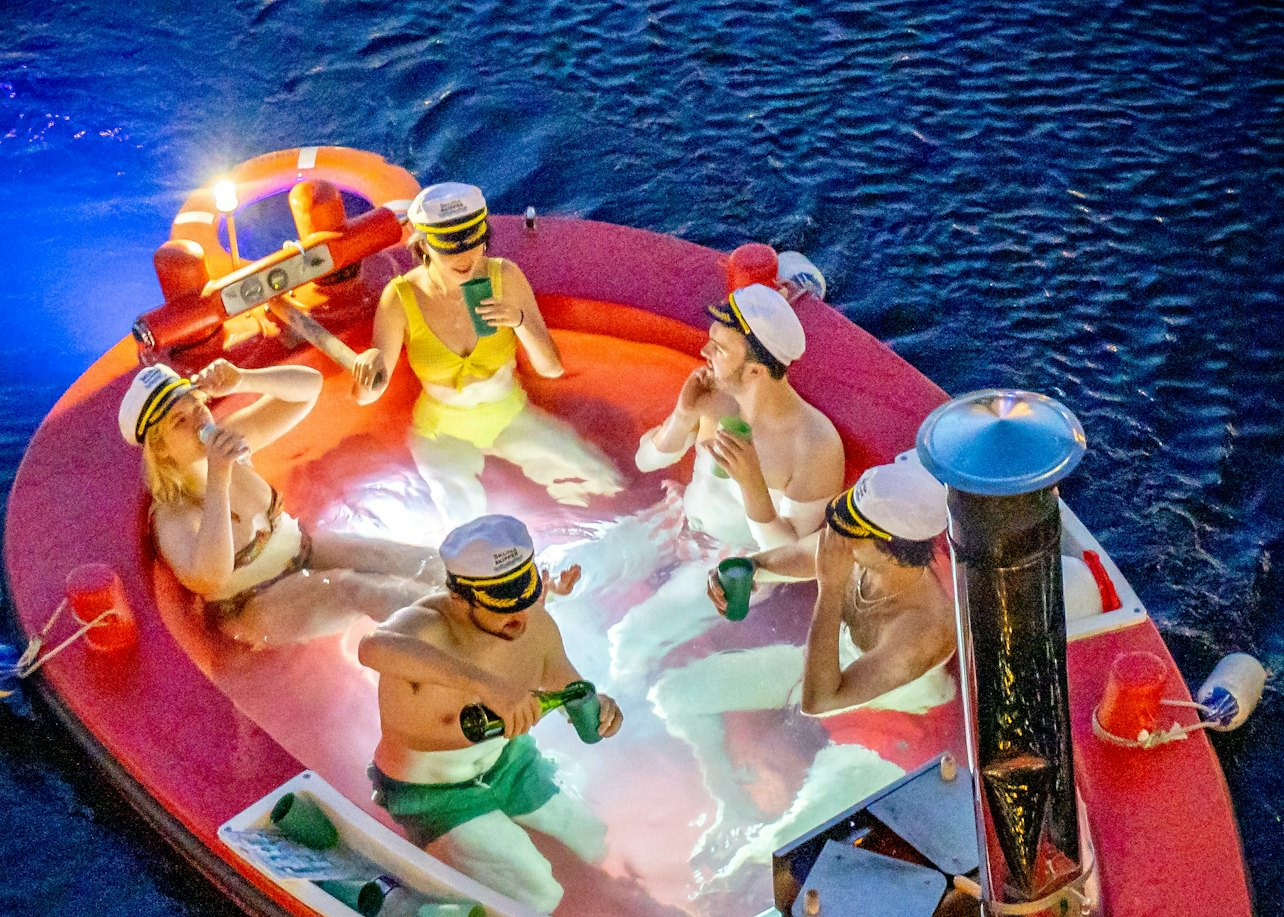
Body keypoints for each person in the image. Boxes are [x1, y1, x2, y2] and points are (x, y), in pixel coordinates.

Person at [648, 457, 960, 876]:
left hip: (892, 722)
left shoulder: (920, 629)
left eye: (850, 532)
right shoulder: (860, 549)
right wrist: (749, 569)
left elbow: (820, 700)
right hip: (831, 667)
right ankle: (727, 796)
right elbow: (800, 555)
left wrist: (830, 587)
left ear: (891, 549)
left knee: (775, 848)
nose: (835, 538)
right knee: (674, 695)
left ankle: (737, 865)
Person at [358, 515, 623, 913]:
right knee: (539, 895)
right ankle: (432, 867)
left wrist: (599, 706)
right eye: (503, 606)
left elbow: (568, 687)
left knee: (595, 839)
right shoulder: (427, 629)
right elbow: (372, 647)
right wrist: (482, 684)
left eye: (524, 599)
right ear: (459, 599)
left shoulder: (531, 623)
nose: (520, 617)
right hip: (434, 796)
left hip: (512, 764)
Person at [597, 281, 845, 681]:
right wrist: (682, 413)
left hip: (738, 563)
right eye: (711, 341)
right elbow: (646, 461)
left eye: (720, 348)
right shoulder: (716, 397)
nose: (704, 353)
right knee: (573, 574)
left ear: (755, 371)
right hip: (679, 516)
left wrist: (752, 485)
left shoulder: (813, 443)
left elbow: (791, 560)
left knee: (630, 640)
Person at [120, 360, 443, 648]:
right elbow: (209, 578)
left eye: (197, 407)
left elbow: (307, 389)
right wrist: (220, 476)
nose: (198, 422)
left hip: (301, 551)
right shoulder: (173, 513)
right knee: (361, 590)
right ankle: (458, 642)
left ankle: (483, 604)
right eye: (179, 421)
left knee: (407, 559)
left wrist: (244, 379)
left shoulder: (231, 437)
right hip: (252, 605)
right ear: (160, 449)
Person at [351, 182, 621, 525]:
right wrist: (367, 367)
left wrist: (519, 320)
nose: (465, 257)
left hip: (509, 414)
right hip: (441, 431)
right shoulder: (401, 296)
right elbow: (366, 396)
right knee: (463, 524)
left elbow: (551, 368)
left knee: (605, 481)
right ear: (423, 245)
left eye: (474, 243)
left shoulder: (503, 276)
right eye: (450, 248)